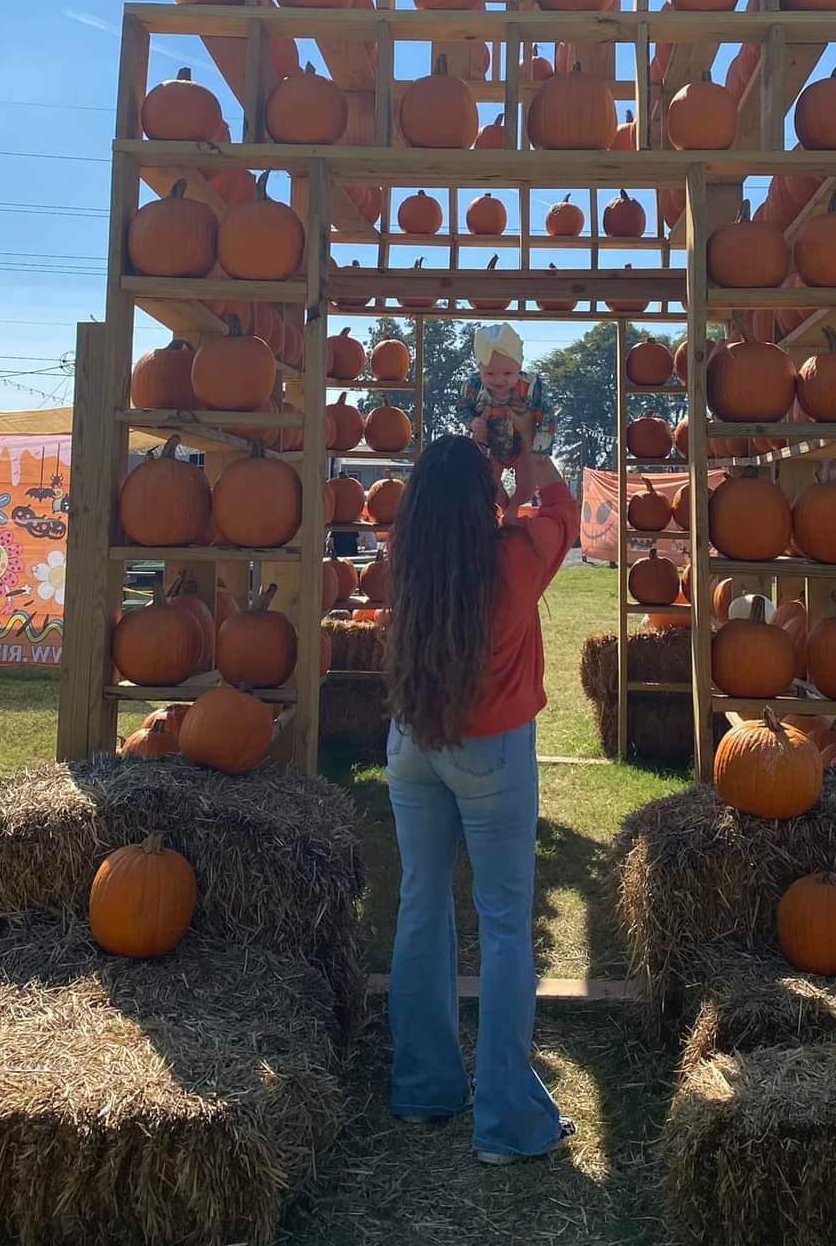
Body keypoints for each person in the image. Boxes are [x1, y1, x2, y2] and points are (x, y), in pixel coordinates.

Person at [381, 433, 579, 1165]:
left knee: (420, 906)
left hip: (412, 744)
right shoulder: (517, 554)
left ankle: (423, 1088)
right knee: (501, 926)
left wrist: (491, 477)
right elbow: (560, 508)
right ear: (484, 497)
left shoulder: (408, 560)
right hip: (491, 750)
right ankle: (505, 1123)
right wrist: (530, 470)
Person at [457, 323, 556, 520]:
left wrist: (542, 445)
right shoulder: (472, 387)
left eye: (507, 374)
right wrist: (472, 421)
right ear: (479, 369)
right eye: (490, 374)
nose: (499, 380)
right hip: (489, 444)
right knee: (488, 481)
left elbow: (547, 414)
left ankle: (515, 507)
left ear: (519, 367)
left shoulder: (531, 387)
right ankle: (503, 508)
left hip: (521, 444)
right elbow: (461, 407)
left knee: (528, 483)